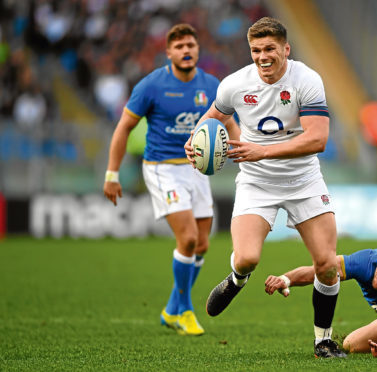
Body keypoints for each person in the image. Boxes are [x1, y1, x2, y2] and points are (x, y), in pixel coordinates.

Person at [185, 17, 345, 358]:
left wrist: (262, 151)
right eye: (256, 50)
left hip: (304, 180)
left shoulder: (307, 80)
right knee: (246, 259)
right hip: (257, 182)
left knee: (327, 264)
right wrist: (194, 140)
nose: (262, 56)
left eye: (270, 48)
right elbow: (214, 115)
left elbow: (318, 139)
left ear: (285, 49)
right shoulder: (234, 84)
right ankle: (237, 279)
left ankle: (323, 340)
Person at [103, 24, 236, 336]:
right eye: (179, 47)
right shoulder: (151, 85)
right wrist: (112, 173)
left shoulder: (211, 84)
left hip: (197, 168)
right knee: (188, 238)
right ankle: (184, 310)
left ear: (198, 49)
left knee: (202, 243)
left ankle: (171, 308)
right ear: (169, 53)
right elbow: (123, 127)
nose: (186, 50)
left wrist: (242, 153)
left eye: (191, 44)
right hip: (162, 168)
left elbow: (229, 122)